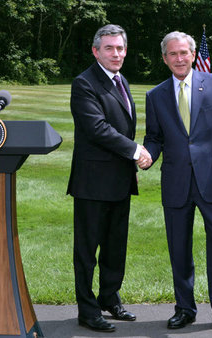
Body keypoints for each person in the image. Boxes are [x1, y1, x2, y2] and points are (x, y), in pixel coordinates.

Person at [141, 31, 212, 334]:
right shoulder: (155, 95)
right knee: (179, 248)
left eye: (183, 52)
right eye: (172, 54)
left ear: (193, 54)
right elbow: (155, 137)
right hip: (176, 182)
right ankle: (185, 309)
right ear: (164, 58)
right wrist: (147, 156)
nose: (179, 58)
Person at [67, 24, 152, 333]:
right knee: (87, 251)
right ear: (95, 51)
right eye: (109, 48)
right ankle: (87, 311)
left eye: (120, 48)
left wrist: (133, 155)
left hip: (119, 181)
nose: (116, 53)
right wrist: (135, 151)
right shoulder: (84, 83)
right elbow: (97, 128)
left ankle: (109, 298)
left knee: (116, 247)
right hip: (91, 183)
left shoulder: (122, 80)